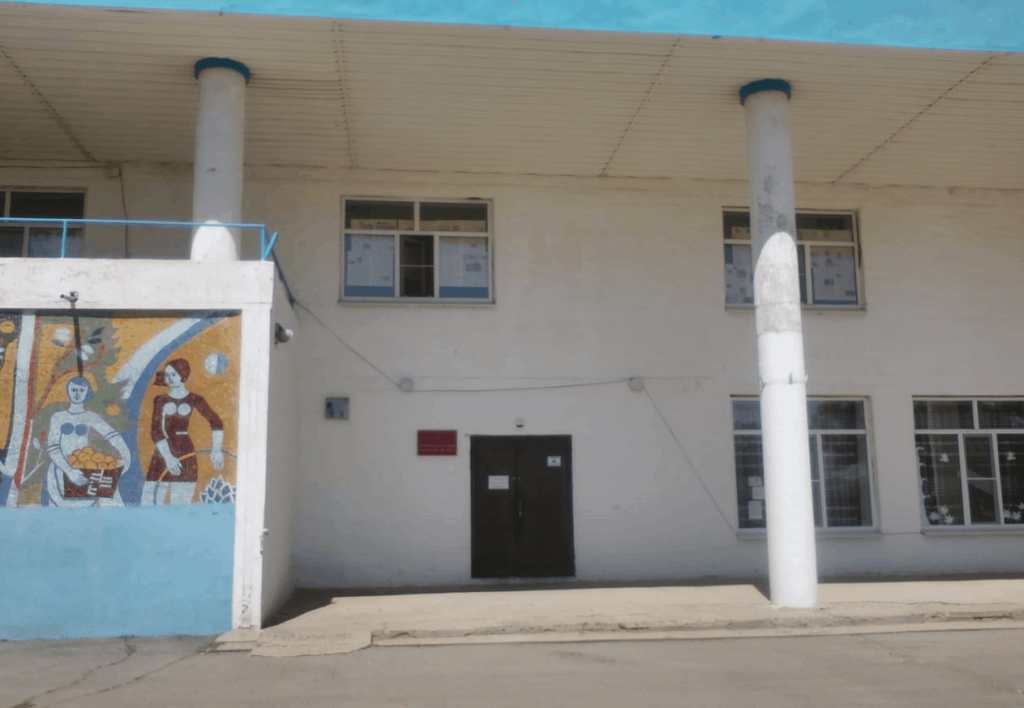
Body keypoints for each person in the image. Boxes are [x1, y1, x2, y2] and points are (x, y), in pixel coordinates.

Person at [143, 358, 224, 505]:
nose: (169, 378)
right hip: (162, 453)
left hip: (185, 452)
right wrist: (168, 457)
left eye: (173, 374)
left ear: (183, 375)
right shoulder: (160, 400)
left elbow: (216, 422)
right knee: (149, 501)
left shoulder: (195, 399)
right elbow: (156, 431)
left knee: (181, 503)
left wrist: (216, 449)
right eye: (167, 375)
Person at [41, 376, 132, 507]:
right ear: (67, 391)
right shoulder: (58, 417)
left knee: (107, 495)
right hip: (61, 468)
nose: (77, 394)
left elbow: (112, 435)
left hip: (85, 465)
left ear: (86, 392)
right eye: (73, 390)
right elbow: (53, 447)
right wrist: (69, 471)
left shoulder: (90, 417)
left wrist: (126, 456)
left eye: (81, 390)